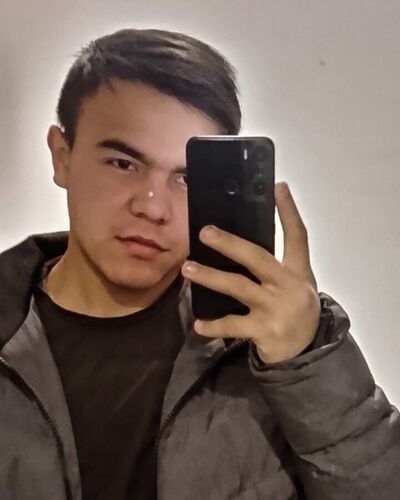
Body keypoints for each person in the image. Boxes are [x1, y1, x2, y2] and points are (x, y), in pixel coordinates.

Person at [0, 28, 398, 500]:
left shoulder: (267, 339)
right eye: (123, 163)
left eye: (186, 178)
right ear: (61, 157)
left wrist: (308, 360)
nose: (153, 207)